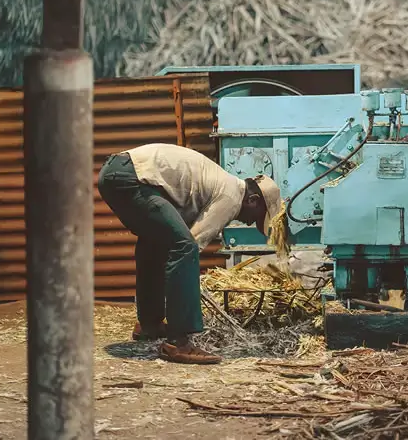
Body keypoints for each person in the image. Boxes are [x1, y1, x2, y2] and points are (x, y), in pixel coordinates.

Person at [97, 143, 281, 364]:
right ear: (253, 200)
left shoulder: (221, 183)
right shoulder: (232, 196)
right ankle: (179, 342)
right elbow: (192, 244)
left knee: (154, 242)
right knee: (185, 247)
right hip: (131, 177)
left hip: (115, 172)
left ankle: (149, 325)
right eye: (258, 217)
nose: (252, 222)